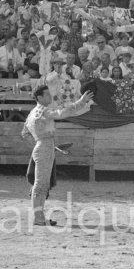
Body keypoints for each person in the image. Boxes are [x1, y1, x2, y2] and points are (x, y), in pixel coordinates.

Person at [21, 86, 93, 226]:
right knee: (41, 184)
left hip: (42, 147)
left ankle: (39, 216)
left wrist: (39, 143)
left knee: (42, 184)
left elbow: (24, 133)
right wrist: (81, 101)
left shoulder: (32, 113)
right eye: (47, 94)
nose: (50, 96)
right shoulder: (43, 110)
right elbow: (61, 113)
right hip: (44, 148)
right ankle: (38, 217)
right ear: (39, 98)